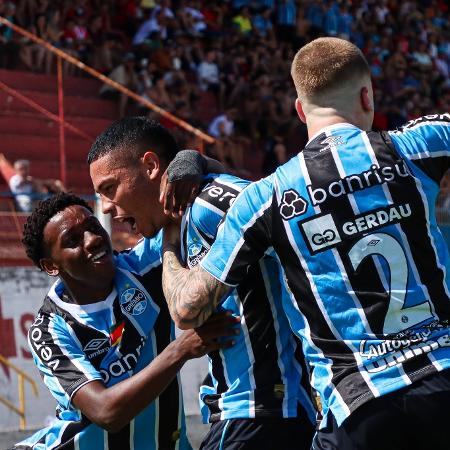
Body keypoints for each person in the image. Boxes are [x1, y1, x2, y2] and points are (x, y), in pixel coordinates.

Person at [161, 37, 450, 449]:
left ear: (300, 110)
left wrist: (171, 243)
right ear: (367, 96)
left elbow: (187, 308)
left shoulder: (266, 197)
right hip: (442, 377)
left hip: (358, 407)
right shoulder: (416, 145)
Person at [88, 117, 316, 449]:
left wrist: (196, 161)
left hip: (261, 412)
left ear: (151, 166)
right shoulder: (165, 229)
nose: (107, 207)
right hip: (259, 415)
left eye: (110, 188)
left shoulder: (207, 201)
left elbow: (278, 207)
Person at [13, 192, 238, 450]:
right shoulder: (50, 330)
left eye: (93, 227)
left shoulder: (144, 266)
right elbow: (106, 412)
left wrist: (192, 162)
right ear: (51, 266)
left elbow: (186, 207)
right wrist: (180, 350)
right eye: (73, 240)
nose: (93, 239)